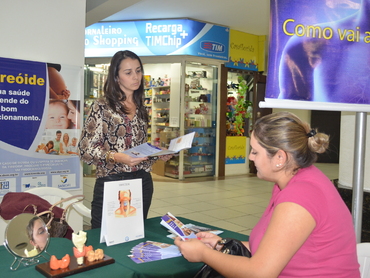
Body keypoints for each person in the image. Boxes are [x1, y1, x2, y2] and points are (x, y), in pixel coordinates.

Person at [175, 112, 360, 277]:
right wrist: (221, 244)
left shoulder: (299, 197)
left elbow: (259, 272)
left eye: (255, 151)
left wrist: (203, 254)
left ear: (280, 158)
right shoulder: (292, 181)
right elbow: (272, 248)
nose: (250, 157)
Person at [78, 50, 171, 229]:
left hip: (142, 181)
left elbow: (137, 147)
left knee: (135, 233)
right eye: (128, 73)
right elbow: (85, 149)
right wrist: (117, 157)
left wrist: (157, 153)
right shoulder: (102, 106)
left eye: (138, 70)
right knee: (103, 237)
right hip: (112, 180)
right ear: (116, 76)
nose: (136, 77)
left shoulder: (141, 106)